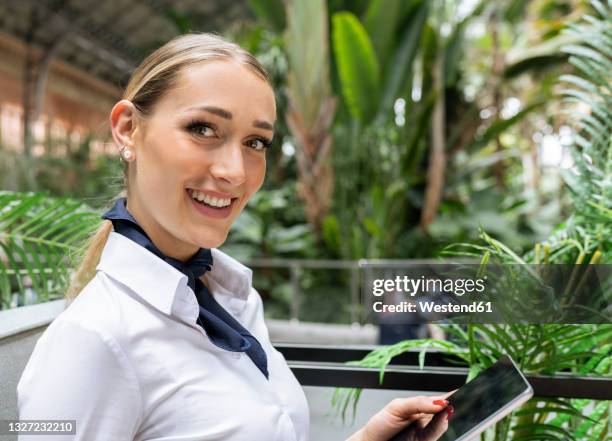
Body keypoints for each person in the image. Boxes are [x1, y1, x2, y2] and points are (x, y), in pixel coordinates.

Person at [16, 33, 451, 441]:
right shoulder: (92, 341)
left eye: (256, 142)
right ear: (128, 128)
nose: (235, 172)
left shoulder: (230, 297)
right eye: (203, 129)